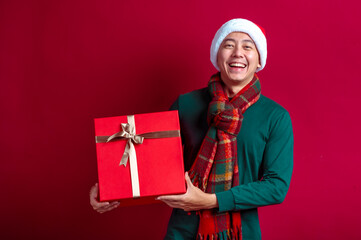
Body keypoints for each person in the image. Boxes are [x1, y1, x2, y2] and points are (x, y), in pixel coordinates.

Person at [90, 18, 293, 240]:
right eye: (228, 45)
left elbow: (276, 186)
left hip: (240, 233)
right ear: (217, 55)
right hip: (183, 230)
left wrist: (211, 201)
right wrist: (108, 189)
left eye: (247, 46)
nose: (237, 53)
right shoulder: (186, 104)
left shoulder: (275, 116)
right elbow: (152, 163)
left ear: (259, 59)